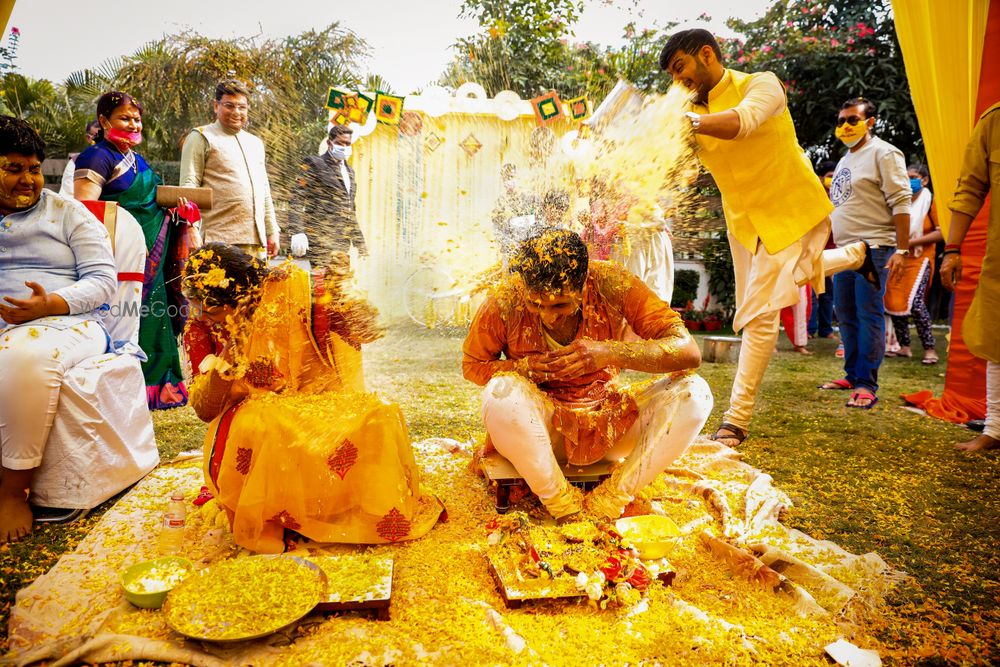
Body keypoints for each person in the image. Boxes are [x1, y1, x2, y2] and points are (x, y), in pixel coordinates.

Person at [659, 29, 873, 444]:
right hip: (744, 224)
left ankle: (735, 421)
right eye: (671, 74)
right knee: (775, 290)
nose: (677, 81)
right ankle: (852, 256)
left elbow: (743, 122)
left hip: (790, 208)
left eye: (680, 67)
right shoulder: (690, 112)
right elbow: (678, 164)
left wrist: (691, 123)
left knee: (759, 313)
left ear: (706, 54)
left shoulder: (762, 84)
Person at [182, 244, 442, 552]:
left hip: (316, 403)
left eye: (210, 308)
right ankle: (271, 519)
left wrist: (344, 297)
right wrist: (229, 355)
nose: (202, 315)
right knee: (262, 425)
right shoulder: (200, 328)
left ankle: (356, 509)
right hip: (253, 415)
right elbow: (203, 409)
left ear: (243, 295)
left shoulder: (297, 293)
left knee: (381, 413)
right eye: (197, 306)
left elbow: (369, 331)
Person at [462, 229, 713, 521]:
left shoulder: (611, 282)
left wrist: (607, 353)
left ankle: (610, 501)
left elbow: (688, 351)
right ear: (524, 287)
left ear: (584, 285)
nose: (548, 316)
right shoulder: (506, 297)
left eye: (560, 305)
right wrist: (524, 369)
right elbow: (473, 366)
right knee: (500, 392)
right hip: (538, 432)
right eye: (535, 304)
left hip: (608, 426)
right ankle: (563, 506)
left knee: (694, 393)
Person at [0, 116, 116, 544]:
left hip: (67, 322)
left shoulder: (68, 213)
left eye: (33, 168)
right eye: (13, 168)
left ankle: (14, 490)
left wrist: (49, 303)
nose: (27, 180)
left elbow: (104, 282)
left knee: (24, 357)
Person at [74, 91, 194, 409]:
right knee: (121, 320)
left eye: (136, 119)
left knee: (154, 318)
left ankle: (157, 387)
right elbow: (84, 211)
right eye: (124, 118)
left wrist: (178, 210)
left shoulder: (137, 160)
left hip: (150, 253)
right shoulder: (96, 157)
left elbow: (153, 200)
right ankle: (121, 386)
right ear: (103, 121)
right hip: (119, 257)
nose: (132, 124)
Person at [824, 98, 912, 408]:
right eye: (841, 121)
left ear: (870, 121)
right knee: (845, 313)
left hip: (874, 248)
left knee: (867, 313)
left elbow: (902, 202)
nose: (845, 126)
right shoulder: (847, 159)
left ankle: (866, 384)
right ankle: (851, 373)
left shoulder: (884, 153)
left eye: (852, 119)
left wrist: (902, 249)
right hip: (845, 250)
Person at [941, 100, 1000, 452]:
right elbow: (969, 189)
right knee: (996, 337)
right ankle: (995, 428)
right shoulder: (993, 121)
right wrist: (952, 249)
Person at [180, 79, 279, 258]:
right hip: (216, 241)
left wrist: (272, 231)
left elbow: (264, 191)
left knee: (255, 287)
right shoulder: (201, 136)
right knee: (214, 286)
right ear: (216, 106)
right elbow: (189, 186)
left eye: (242, 107)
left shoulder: (255, 143)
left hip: (255, 243)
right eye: (229, 106)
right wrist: (191, 228)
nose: (236, 112)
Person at [285, 124, 366, 267]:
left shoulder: (350, 172)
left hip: (342, 243)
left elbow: (349, 210)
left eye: (347, 144)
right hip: (320, 241)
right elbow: (297, 197)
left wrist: (360, 244)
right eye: (340, 143)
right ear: (329, 143)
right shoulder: (314, 163)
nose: (344, 147)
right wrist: (296, 231)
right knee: (321, 287)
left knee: (340, 285)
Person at [884, 163, 941, 364]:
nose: (909, 181)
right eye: (905, 177)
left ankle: (930, 349)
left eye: (913, 176)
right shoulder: (901, 201)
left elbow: (941, 233)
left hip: (921, 258)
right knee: (893, 302)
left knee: (916, 304)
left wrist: (910, 242)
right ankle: (904, 346)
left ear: (924, 180)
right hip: (899, 257)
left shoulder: (932, 200)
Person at [808, 161, 838, 341]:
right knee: (812, 293)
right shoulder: (813, 196)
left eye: (835, 176)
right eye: (829, 176)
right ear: (820, 178)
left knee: (827, 293)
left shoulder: (840, 197)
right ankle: (809, 330)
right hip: (812, 252)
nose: (832, 180)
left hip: (832, 251)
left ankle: (826, 330)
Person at [58, 119, 100, 197]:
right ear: (88, 138)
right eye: (97, 137)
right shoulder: (75, 162)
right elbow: (67, 195)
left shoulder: (122, 161)